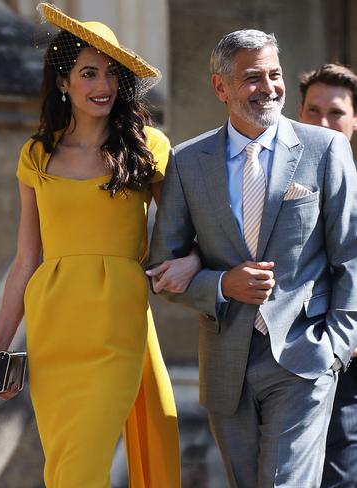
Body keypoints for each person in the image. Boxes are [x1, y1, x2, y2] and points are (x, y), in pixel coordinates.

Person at [0, 3, 200, 487]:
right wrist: (0, 344)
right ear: (63, 82)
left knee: (83, 466)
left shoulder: (149, 146)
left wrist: (190, 262)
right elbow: (26, 260)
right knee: (63, 464)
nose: (103, 85)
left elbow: (181, 234)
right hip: (53, 327)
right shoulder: (36, 154)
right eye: (88, 73)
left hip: (117, 323)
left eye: (111, 74)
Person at [147, 29, 357, 487]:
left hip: (305, 354)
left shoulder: (326, 150)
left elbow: (350, 255)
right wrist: (222, 285)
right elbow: (161, 269)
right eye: (252, 77)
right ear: (220, 87)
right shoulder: (186, 162)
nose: (269, 87)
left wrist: (337, 344)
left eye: (275, 74)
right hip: (227, 363)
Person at [299, 63, 357, 488]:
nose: (323, 122)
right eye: (312, 110)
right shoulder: (276, 182)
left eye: (335, 112)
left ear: (355, 119)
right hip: (304, 349)